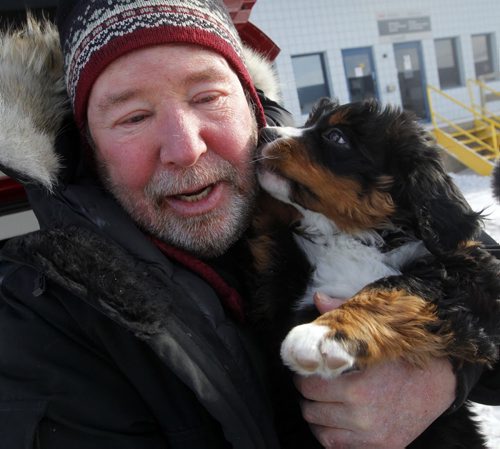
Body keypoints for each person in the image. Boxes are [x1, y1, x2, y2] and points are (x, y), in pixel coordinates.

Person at [0, 1, 498, 448]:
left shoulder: (300, 185)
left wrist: (445, 371)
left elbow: (474, 270)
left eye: (206, 97)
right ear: (88, 146)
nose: (185, 147)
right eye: (133, 117)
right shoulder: (35, 317)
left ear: (251, 103)